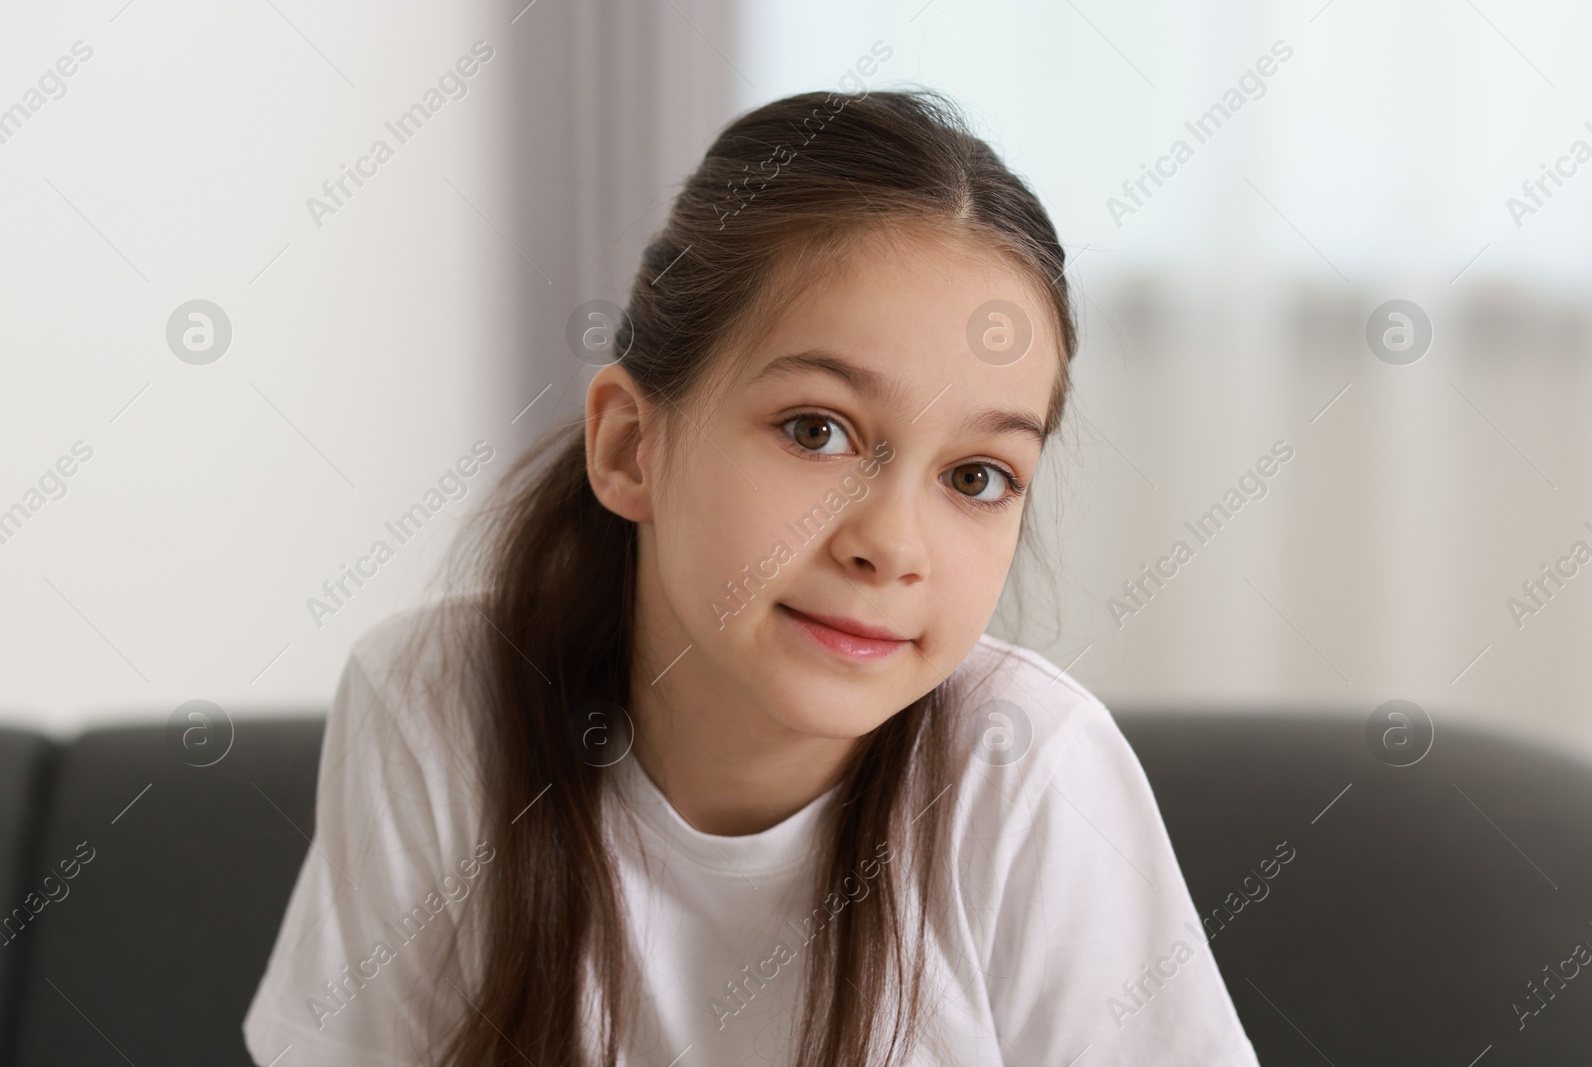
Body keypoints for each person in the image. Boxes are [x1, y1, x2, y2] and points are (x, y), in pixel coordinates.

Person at [243, 87, 1260, 1067]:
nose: (891, 544)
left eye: (975, 475)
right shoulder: (435, 701)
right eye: (816, 430)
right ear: (632, 447)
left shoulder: (1029, 771)